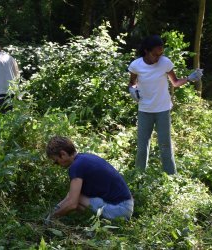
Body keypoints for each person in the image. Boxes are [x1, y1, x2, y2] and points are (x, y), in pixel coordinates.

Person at [128, 35, 203, 175]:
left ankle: (171, 175)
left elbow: (175, 82)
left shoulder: (165, 62)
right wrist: (132, 90)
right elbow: (132, 82)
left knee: (165, 145)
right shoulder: (135, 65)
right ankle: (138, 175)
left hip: (162, 109)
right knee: (142, 146)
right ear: (146, 51)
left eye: (161, 54)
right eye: (155, 54)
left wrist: (189, 78)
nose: (158, 57)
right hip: (145, 109)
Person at [45, 136, 133, 223]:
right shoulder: (84, 158)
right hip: (125, 207)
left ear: (63, 154)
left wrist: (52, 217)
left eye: (56, 161)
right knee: (74, 196)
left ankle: (52, 220)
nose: (56, 164)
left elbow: (72, 203)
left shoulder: (76, 166)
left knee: (76, 198)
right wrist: (54, 211)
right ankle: (87, 222)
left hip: (120, 210)